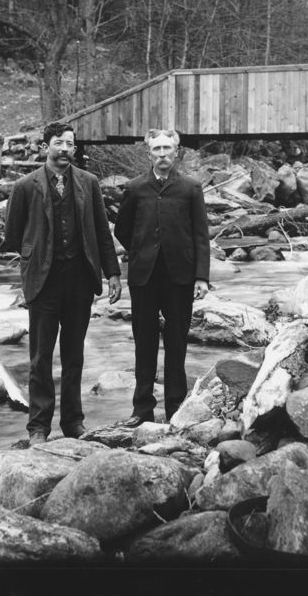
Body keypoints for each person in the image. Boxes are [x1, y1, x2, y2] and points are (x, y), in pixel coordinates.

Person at [0, 121, 121, 445]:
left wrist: (113, 274)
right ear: (45, 147)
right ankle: (38, 427)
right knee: (40, 357)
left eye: (70, 143)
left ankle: (73, 422)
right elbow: (12, 235)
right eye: (58, 143)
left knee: (73, 355)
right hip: (43, 282)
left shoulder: (89, 183)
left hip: (80, 280)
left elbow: (102, 233)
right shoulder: (25, 186)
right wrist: (31, 260)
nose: (65, 149)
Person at [113, 128, 210, 426]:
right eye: (157, 149)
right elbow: (122, 230)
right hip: (144, 277)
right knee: (144, 343)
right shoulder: (135, 187)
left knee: (177, 343)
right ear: (149, 153)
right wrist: (142, 251)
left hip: (180, 278)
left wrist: (201, 277)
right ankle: (141, 409)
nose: (163, 154)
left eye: (168, 148)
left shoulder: (191, 188)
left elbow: (200, 236)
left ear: (177, 152)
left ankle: (175, 408)